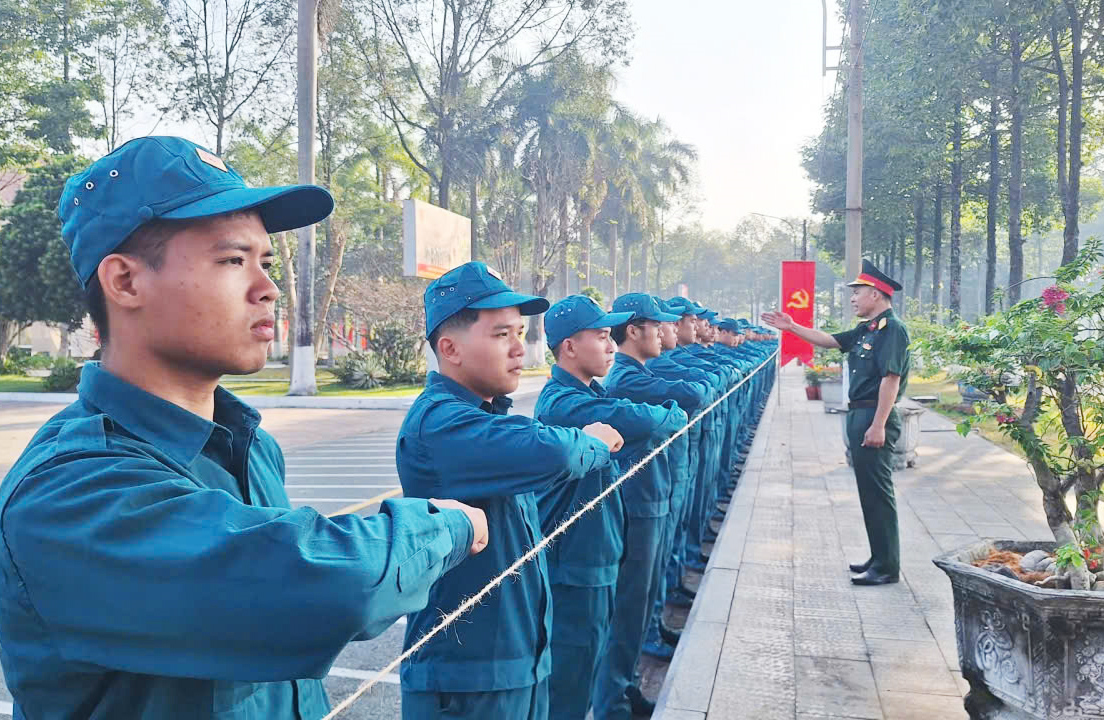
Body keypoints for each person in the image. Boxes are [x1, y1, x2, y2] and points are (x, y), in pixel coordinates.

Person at [0, 136, 490, 720]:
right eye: (233, 261)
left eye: (265, 261)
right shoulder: (71, 492)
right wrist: (447, 525)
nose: (268, 288)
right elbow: (327, 587)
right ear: (126, 282)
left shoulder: (248, 443)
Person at [397, 264, 625, 719]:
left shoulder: (485, 417)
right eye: (502, 334)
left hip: (515, 663)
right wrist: (595, 440)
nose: (520, 348)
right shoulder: (441, 422)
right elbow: (553, 452)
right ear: (450, 348)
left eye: (520, 332)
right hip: (467, 682)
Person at [535, 294, 679, 720]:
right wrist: (666, 411)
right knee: (568, 683)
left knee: (586, 667)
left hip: (594, 554)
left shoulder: (587, 393)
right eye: (600, 336)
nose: (611, 344)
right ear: (569, 347)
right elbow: (649, 421)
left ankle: (615, 698)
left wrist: (661, 414)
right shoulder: (565, 403)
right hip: (576, 564)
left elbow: (647, 420)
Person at [763, 259, 910, 586]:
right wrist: (792, 327)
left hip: (873, 413)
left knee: (878, 493)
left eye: (857, 293)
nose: (853, 299)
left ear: (875, 293)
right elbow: (831, 340)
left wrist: (878, 424)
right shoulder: (868, 328)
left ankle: (887, 566)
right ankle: (879, 557)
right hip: (859, 413)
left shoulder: (892, 330)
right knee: (868, 493)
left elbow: (891, 378)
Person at [604, 294, 705, 671]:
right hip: (639, 500)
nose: (667, 331)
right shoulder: (627, 379)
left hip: (656, 492)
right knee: (632, 600)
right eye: (657, 324)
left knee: (645, 590)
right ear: (633, 331)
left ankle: (627, 684)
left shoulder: (643, 373)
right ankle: (616, 696)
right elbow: (694, 393)